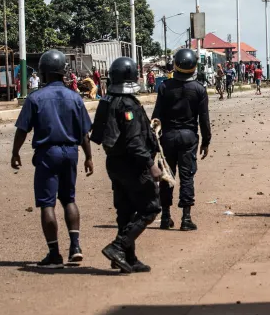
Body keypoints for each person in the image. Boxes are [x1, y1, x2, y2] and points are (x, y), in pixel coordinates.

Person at [12, 50, 94, 268]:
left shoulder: (35, 98)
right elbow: (84, 133)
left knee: (47, 204)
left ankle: (54, 253)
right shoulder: (75, 97)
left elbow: (22, 129)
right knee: (69, 199)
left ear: (43, 73)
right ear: (63, 72)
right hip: (70, 152)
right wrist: (88, 157)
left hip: (47, 154)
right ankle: (75, 246)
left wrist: (15, 153)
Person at [90, 57, 160, 273]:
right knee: (151, 207)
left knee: (126, 211)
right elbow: (134, 141)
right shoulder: (128, 104)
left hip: (115, 163)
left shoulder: (107, 101)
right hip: (132, 164)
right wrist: (151, 165)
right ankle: (118, 247)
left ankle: (128, 258)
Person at [152, 49, 211, 231]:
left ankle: (165, 217)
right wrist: (206, 141)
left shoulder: (164, 87)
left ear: (175, 65)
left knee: (167, 177)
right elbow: (204, 119)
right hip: (189, 137)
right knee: (187, 177)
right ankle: (186, 219)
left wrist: (154, 142)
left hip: (167, 137)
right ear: (194, 66)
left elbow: (156, 118)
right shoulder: (200, 89)